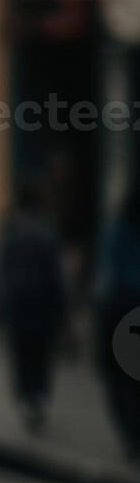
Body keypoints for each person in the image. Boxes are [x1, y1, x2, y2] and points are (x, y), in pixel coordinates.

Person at [0, 181, 68, 435]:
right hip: (41, 304)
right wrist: (61, 310)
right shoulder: (46, 230)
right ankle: (38, 397)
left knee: (22, 354)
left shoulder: (12, 229)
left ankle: (28, 399)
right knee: (41, 354)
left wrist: (0, 307)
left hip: (18, 304)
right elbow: (56, 274)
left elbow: (2, 271)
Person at [93, 185, 140, 462]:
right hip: (123, 311)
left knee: (118, 378)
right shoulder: (120, 233)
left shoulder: (117, 232)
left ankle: (131, 433)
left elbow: (106, 280)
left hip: (119, 313)